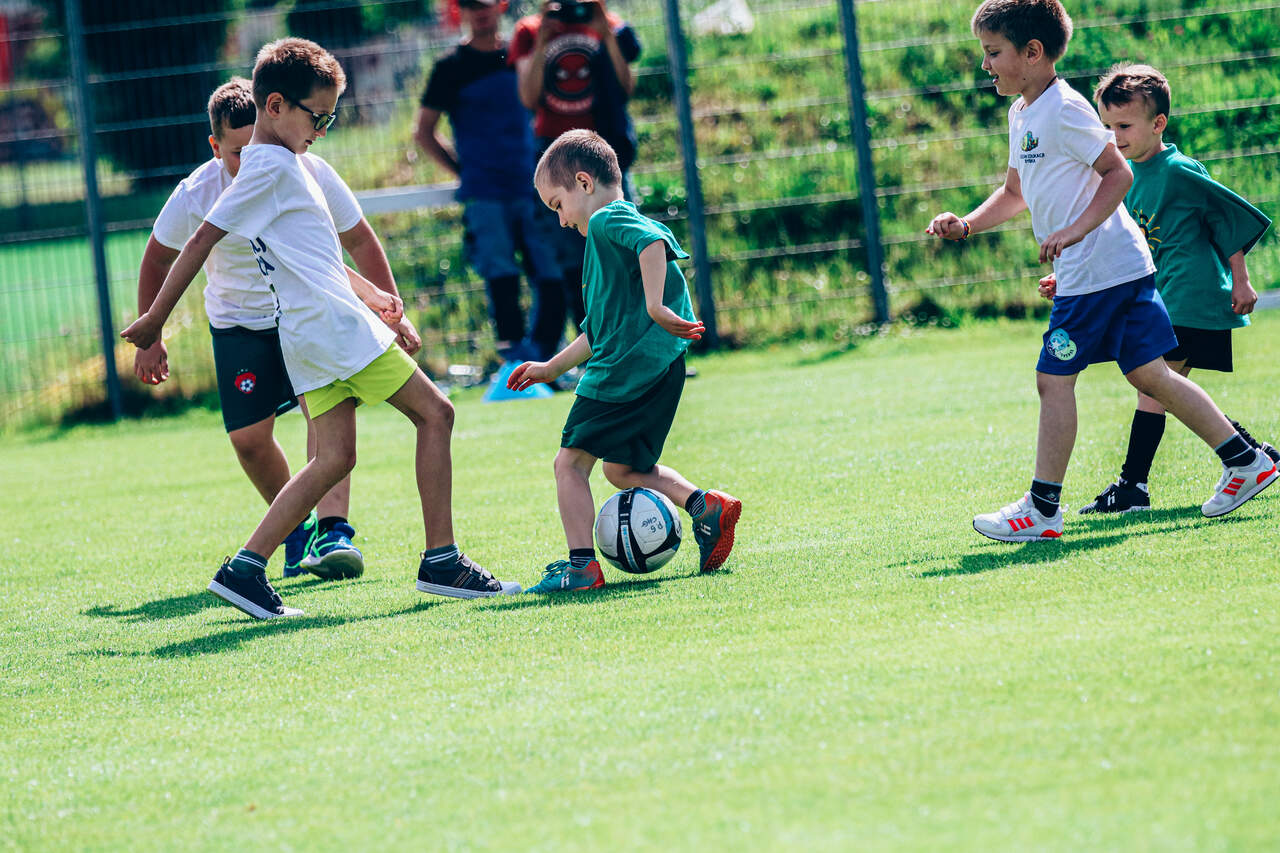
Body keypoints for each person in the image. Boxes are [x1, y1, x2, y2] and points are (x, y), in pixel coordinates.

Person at [122, 37, 520, 619]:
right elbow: (201, 238)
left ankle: (244, 570)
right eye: (319, 117)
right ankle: (442, 561)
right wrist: (155, 319)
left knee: (333, 459)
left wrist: (375, 296)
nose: (324, 129)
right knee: (437, 414)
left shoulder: (285, 165)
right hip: (332, 330)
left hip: (308, 334)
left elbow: (316, 257)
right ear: (275, 105)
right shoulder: (266, 168)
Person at [926, 0, 1276, 542]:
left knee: (1053, 379)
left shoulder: (1065, 109)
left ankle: (1042, 509)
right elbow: (1015, 193)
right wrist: (967, 224)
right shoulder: (1022, 113)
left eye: (993, 53)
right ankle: (1246, 460)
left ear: (1033, 52)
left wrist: (1074, 232)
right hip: (1119, 268)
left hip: (1097, 272)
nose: (985, 64)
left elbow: (1118, 174)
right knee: (1151, 376)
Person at [135, 77, 421, 581]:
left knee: (331, 420)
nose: (251, 158)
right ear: (215, 146)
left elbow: (355, 241)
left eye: (257, 145)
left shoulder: (304, 168)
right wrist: (152, 333)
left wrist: (389, 309)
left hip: (304, 317)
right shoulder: (198, 193)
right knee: (249, 439)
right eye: (237, 152)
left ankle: (333, 532)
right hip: (241, 326)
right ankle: (294, 531)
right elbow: (162, 255)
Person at [507, 130, 741, 592]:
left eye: (558, 205)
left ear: (584, 183)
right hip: (660, 370)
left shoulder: (606, 220)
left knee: (569, 465)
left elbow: (653, 241)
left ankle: (581, 569)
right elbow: (599, 329)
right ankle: (705, 507)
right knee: (621, 469)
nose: (560, 221)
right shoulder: (610, 234)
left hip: (622, 375)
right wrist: (551, 369)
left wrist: (655, 305)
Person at [1050, 63, 1273, 514]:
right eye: (1107, 126)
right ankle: (1255, 455)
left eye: (1125, 126)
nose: (1115, 137)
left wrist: (1241, 279)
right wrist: (1067, 278)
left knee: (1153, 388)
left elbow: (1224, 218)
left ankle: (1136, 485)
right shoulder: (1121, 177)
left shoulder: (1179, 171)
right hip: (1158, 300)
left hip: (1191, 296)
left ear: (1158, 124)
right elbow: (1118, 241)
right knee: (1161, 389)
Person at [414, 0, 566, 365]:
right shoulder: (450, 67)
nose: (479, 12)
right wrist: (463, 170)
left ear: (500, 7)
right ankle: (514, 368)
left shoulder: (523, 55)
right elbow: (424, 132)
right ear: (460, 12)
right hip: (485, 194)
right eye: (470, 5)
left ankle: (547, 361)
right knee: (501, 278)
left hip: (535, 189)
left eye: (485, 4)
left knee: (552, 272)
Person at [512, 0, 641, 330]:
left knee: (622, 243)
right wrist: (542, 43)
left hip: (603, 153)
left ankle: (634, 334)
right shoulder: (529, 31)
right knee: (573, 254)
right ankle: (593, 342)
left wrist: (606, 35)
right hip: (556, 156)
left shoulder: (607, 23)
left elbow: (625, 89)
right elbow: (528, 98)